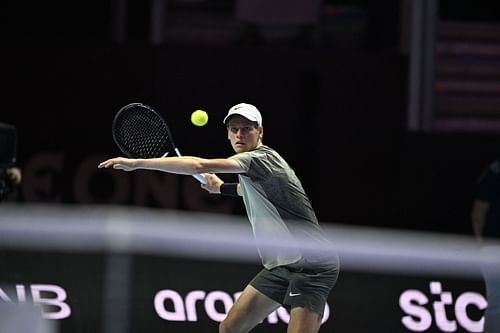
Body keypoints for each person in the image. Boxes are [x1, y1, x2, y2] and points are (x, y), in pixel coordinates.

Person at [99, 102, 339, 333]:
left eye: (247, 129)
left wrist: (137, 163)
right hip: (281, 264)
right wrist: (221, 188)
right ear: (228, 134)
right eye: (234, 129)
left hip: (312, 265)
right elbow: (247, 190)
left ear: (260, 132)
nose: (239, 134)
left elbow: (197, 165)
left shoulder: (259, 159)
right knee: (230, 327)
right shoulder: (254, 168)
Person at [471, 158, 500, 333]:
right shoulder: (495, 171)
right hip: (494, 249)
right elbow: (478, 214)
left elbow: (477, 214)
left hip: (491, 249)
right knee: (497, 305)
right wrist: (482, 247)